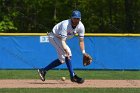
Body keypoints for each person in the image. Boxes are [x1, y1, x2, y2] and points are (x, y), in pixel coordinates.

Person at [38, 10, 86, 84]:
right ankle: (72, 76)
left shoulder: (81, 26)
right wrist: (66, 51)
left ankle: (43, 70)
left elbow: (81, 41)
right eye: (74, 18)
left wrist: (83, 52)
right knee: (68, 53)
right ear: (71, 18)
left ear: (80, 19)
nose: (76, 20)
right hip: (54, 37)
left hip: (60, 39)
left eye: (77, 18)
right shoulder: (66, 24)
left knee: (62, 60)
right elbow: (63, 41)